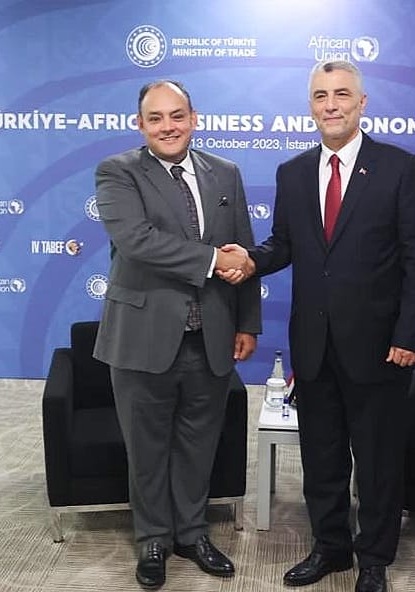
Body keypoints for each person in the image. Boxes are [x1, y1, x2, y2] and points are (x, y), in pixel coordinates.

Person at [221, 60, 415, 592]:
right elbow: (284, 245)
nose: (331, 105)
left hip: (381, 348)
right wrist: (248, 260)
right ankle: (331, 548)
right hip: (314, 345)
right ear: (311, 106)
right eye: (321, 96)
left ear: (362, 103)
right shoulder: (293, 172)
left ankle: (374, 560)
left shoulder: (399, 167)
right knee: (322, 457)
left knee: (378, 461)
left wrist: (409, 336)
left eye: (342, 94)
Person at [93, 79, 260, 590]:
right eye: (156, 118)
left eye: (177, 115)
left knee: (198, 444)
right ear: (140, 124)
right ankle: (152, 539)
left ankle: (191, 534)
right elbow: (137, 241)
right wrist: (213, 260)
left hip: (211, 336)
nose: (168, 126)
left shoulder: (226, 172)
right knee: (146, 448)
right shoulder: (118, 172)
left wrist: (247, 322)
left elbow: (244, 250)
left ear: (194, 118)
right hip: (142, 338)